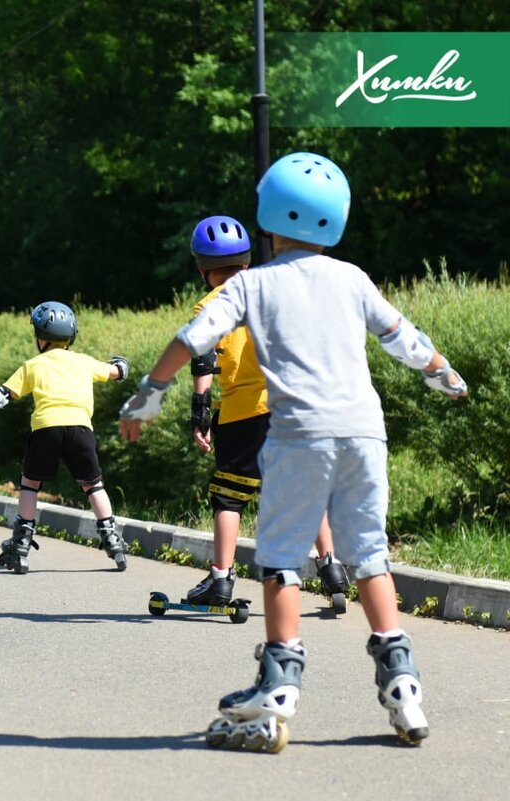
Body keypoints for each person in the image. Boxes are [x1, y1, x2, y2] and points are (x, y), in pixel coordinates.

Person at [119, 152, 468, 752]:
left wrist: (150, 392)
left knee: (281, 557)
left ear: (268, 217)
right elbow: (404, 339)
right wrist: (444, 374)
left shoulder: (253, 283)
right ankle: (403, 684)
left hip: (299, 433)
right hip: (364, 433)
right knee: (369, 556)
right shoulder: (353, 278)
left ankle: (277, 690)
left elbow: (193, 338)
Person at [182, 215, 349, 610]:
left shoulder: (210, 304)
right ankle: (332, 568)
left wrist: (201, 410)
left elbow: (203, 360)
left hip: (242, 414)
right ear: (246, 263)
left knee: (228, 498)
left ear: (202, 269)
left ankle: (221, 580)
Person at [0, 302, 130, 574]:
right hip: (81, 430)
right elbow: (117, 372)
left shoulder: (33, 365)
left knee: (30, 484)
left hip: (46, 429)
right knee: (93, 485)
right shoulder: (84, 362)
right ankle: (112, 540)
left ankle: (21, 545)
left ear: (41, 339)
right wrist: (121, 365)